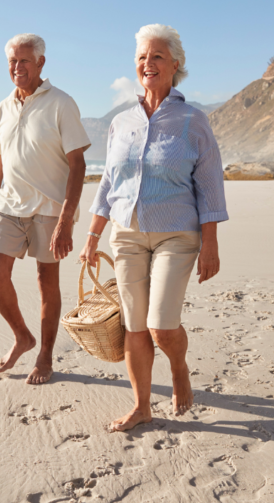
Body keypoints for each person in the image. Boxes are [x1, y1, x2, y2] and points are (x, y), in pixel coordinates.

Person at [79, 24, 228, 431]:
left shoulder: (192, 121)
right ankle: (142, 405)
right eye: (142, 57)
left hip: (176, 235)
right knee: (134, 324)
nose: (148, 63)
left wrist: (210, 244)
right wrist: (92, 235)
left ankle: (178, 368)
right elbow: (110, 182)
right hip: (125, 234)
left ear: (175, 65)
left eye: (157, 56)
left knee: (162, 326)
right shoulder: (121, 122)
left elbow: (210, 185)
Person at [0, 33, 91, 385]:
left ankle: (44, 355)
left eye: (24, 60)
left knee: (47, 281)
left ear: (41, 62)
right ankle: (23, 337)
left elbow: (78, 165)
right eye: (12, 61)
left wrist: (66, 220)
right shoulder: (3, 107)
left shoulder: (61, 103)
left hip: (49, 207)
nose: (17, 67)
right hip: (9, 205)